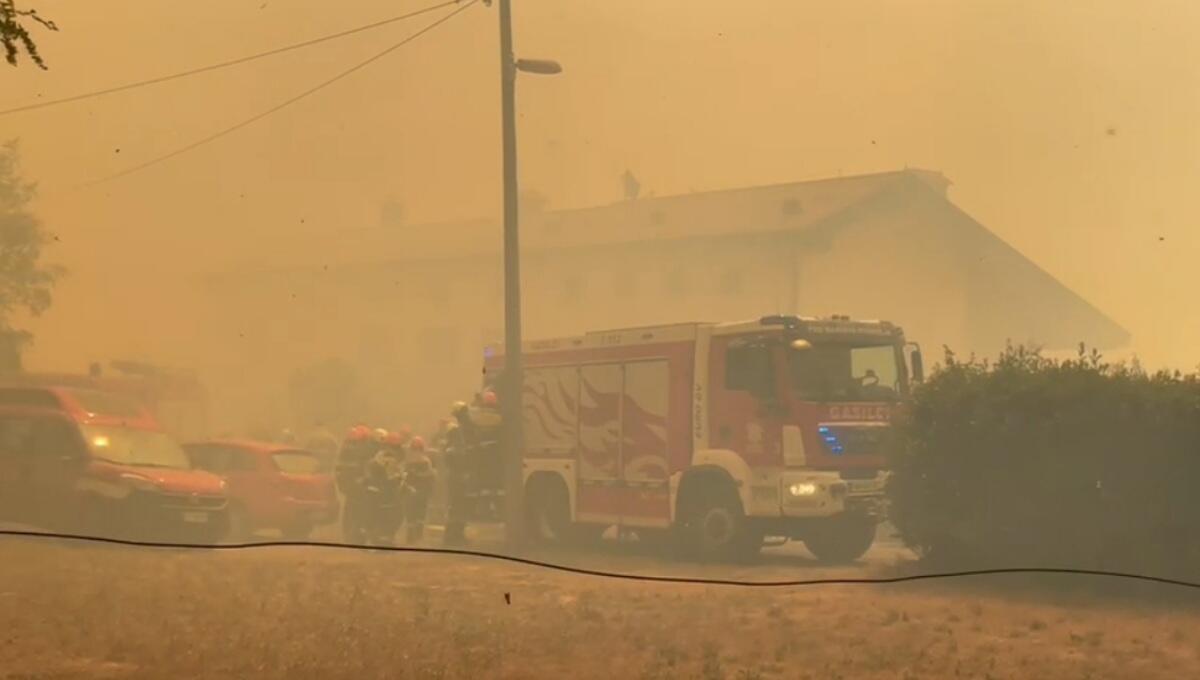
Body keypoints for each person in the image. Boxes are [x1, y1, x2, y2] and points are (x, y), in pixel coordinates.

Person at [334, 424, 374, 544]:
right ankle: (357, 534)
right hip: (358, 484)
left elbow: (339, 468)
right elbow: (367, 467)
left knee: (349, 508)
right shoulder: (362, 449)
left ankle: (349, 533)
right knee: (359, 509)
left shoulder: (345, 447)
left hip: (348, 484)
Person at [402, 436, 436, 543]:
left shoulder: (410, 460)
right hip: (419, 489)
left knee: (412, 512)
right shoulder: (426, 460)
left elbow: (404, 474)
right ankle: (416, 534)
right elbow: (430, 476)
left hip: (413, 489)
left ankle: (412, 534)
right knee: (418, 512)